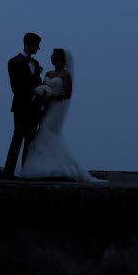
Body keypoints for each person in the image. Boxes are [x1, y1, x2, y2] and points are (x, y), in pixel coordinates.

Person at [21, 48, 106, 182]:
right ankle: (46, 166)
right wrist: (41, 93)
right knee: (44, 134)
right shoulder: (48, 73)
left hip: (57, 109)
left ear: (59, 58)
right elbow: (43, 86)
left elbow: (67, 94)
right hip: (46, 108)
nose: (50, 57)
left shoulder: (66, 75)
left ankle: (64, 167)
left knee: (46, 132)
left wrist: (50, 95)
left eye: (53, 55)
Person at [3, 32, 43, 177]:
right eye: (37, 45)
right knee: (18, 137)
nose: (39, 49)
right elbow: (16, 87)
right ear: (30, 43)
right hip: (21, 106)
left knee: (31, 141)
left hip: (35, 108)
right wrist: (33, 92)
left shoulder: (36, 64)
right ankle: (8, 171)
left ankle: (27, 171)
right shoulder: (13, 62)